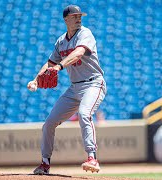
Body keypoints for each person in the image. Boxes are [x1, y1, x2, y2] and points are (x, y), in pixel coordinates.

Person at [28, 5, 106, 175]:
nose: (79, 19)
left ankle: (92, 157)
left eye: (80, 16)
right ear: (66, 19)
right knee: (49, 123)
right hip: (74, 88)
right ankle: (45, 163)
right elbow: (50, 63)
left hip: (93, 83)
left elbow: (78, 53)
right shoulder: (61, 42)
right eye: (75, 16)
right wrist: (36, 79)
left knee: (84, 113)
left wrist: (60, 66)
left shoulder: (85, 33)